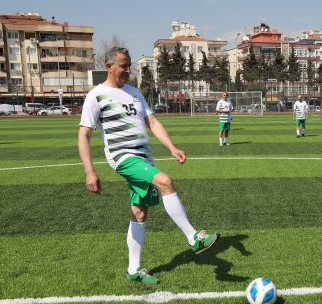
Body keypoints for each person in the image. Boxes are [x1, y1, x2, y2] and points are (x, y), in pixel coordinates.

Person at [78, 47, 219, 286]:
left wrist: (172, 148)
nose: (127, 70)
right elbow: (84, 135)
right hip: (122, 157)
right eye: (123, 65)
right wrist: (89, 171)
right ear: (109, 66)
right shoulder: (96, 95)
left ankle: (134, 269)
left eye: (129, 65)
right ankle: (193, 237)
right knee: (165, 181)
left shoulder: (134, 93)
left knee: (140, 211)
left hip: (145, 157)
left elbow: (152, 122)